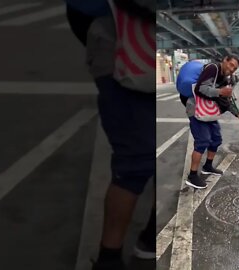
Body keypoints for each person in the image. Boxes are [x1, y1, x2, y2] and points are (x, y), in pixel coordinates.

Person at [64, 1, 155, 269]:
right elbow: (81, 7)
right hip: (120, 44)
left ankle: (150, 235)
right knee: (134, 161)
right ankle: (109, 258)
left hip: (139, 41)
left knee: (159, 151)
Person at [185, 54, 239, 189]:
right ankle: (192, 176)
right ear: (225, 60)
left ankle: (208, 166)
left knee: (216, 139)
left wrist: (236, 113)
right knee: (203, 140)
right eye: (231, 65)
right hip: (196, 109)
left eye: (235, 68)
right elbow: (200, 89)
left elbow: (226, 101)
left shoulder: (225, 78)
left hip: (209, 112)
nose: (232, 69)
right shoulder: (212, 69)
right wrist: (220, 91)